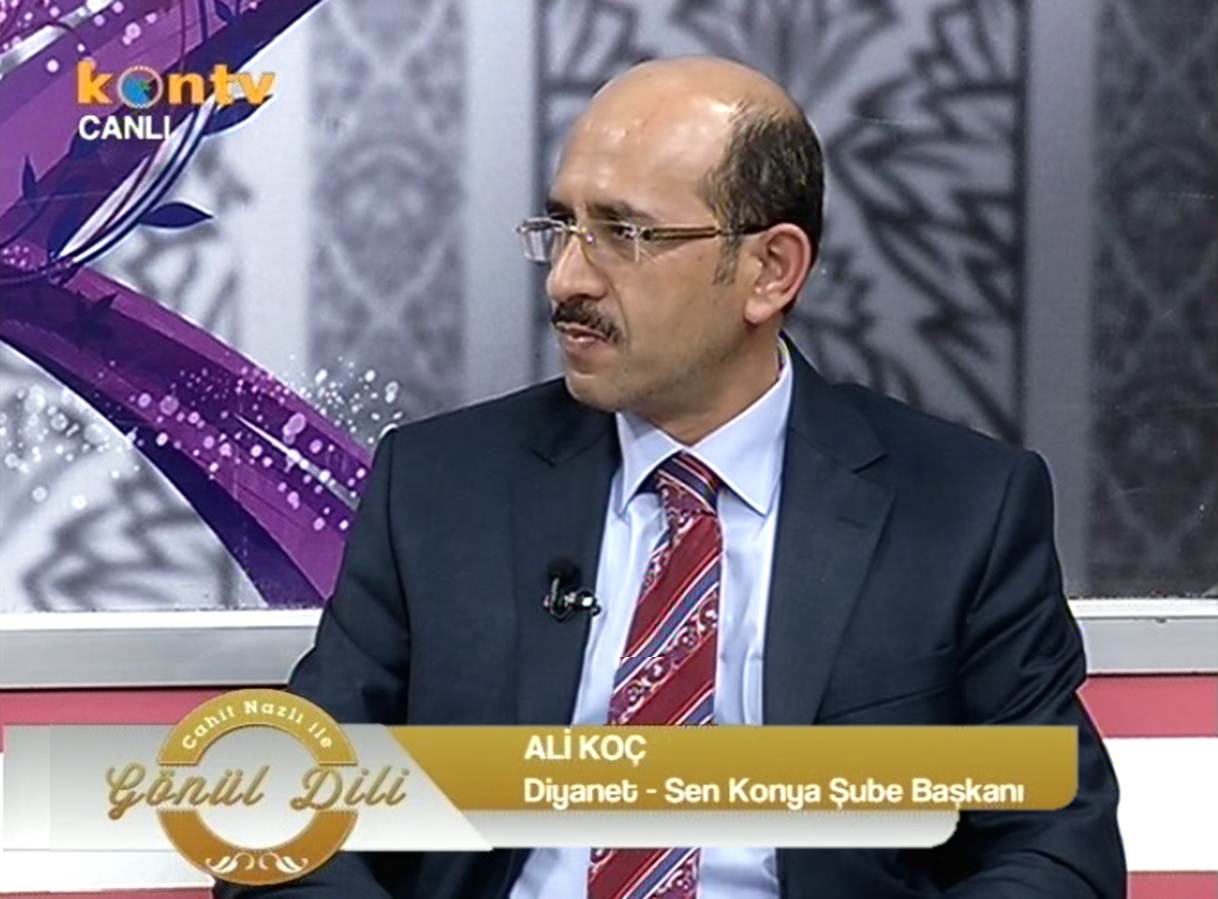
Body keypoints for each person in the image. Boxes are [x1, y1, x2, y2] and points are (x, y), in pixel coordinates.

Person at [215, 56, 1124, 898]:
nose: (567, 279)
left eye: (623, 233)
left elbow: (1054, 845)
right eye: (562, 227)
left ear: (770, 270)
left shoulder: (961, 509)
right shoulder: (441, 489)